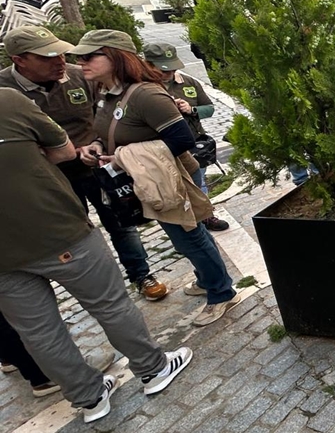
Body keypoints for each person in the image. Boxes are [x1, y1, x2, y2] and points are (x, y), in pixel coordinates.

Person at [0, 89, 193, 423]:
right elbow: (62, 151)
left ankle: (89, 399)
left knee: (39, 332)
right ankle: (154, 369)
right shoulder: (7, 100)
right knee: (109, 303)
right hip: (57, 230)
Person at [69, 30, 241, 326]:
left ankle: (221, 292)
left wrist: (123, 158)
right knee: (187, 236)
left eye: (89, 56)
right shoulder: (107, 92)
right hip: (148, 177)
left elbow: (181, 139)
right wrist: (97, 146)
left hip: (169, 177)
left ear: (115, 56)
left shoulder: (146, 94)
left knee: (190, 237)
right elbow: (106, 131)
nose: (80, 62)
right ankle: (208, 279)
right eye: (79, 56)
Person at [0, 26, 168, 302]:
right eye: (47, 57)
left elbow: (105, 116)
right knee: (70, 236)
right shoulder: (4, 91)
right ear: (19, 60)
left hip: (95, 167)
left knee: (121, 223)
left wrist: (97, 145)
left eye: (61, 53)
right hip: (47, 179)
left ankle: (141, 275)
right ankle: (90, 290)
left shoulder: (81, 78)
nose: (60, 61)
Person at [142, 42, 229, 232]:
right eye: (163, 69)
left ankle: (205, 216)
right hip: (161, 148)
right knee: (173, 189)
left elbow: (210, 108)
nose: (168, 73)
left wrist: (191, 109)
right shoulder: (142, 88)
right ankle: (184, 224)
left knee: (199, 183)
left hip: (192, 143)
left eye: (171, 68)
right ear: (148, 65)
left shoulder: (188, 82)